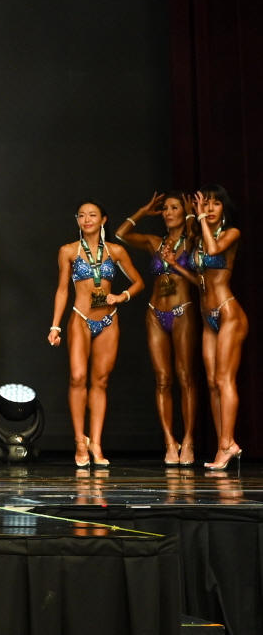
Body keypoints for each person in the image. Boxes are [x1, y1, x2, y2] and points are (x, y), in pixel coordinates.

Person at [48, 202, 144, 467]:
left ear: (103, 220)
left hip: (108, 320)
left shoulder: (116, 251)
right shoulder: (68, 251)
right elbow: (62, 290)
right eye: (81, 215)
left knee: (100, 381)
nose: (86, 219)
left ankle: (96, 444)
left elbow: (139, 282)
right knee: (78, 377)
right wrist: (55, 325)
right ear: (77, 220)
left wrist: (121, 296)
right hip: (80, 318)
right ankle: (80, 441)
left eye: (92, 215)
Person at [116, 192, 200, 464]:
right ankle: (169, 441)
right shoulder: (155, 242)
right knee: (163, 379)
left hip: (182, 311)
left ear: (183, 211)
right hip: (155, 313)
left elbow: (196, 235)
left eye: (174, 208)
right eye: (165, 208)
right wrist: (144, 210)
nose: (168, 212)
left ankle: (189, 440)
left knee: (185, 377)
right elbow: (121, 234)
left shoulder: (192, 241)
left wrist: (191, 213)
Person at [190, 185, 246, 471]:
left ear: (224, 209)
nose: (209, 209)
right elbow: (201, 276)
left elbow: (214, 250)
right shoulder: (200, 238)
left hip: (228, 314)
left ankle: (227, 445)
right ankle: (225, 443)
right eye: (205, 204)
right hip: (206, 316)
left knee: (225, 379)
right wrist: (176, 265)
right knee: (212, 383)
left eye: (215, 204)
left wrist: (200, 217)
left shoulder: (230, 233)